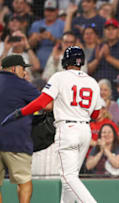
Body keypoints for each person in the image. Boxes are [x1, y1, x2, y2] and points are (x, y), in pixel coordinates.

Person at [1, 47, 102, 203]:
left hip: (67, 130)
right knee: (70, 181)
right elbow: (96, 115)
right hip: (85, 131)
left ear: (65, 61)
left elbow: (42, 102)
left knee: (69, 177)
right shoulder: (92, 81)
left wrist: (21, 112)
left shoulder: (59, 77)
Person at [0, 55, 40, 203]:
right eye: (23, 69)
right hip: (16, 142)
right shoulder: (22, 84)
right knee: (24, 182)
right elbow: (46, 105)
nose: (24, 72)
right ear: (14, 68)